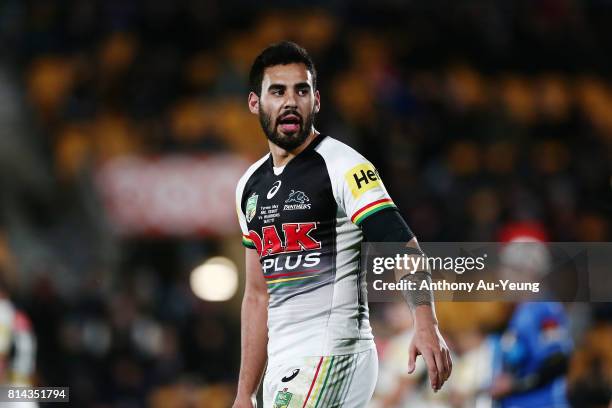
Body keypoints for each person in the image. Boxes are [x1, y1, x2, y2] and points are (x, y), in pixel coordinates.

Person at [233, 41, 451, 408]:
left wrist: (425, 323)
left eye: (301, 90)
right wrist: (244, 393)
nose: (290, 101)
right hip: (284, 368)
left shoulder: (344, 166)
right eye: (278, 91)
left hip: (334, 353)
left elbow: (403, 247)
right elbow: (257, 296)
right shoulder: (248, 186)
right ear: (256, 103)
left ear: (316, 101)